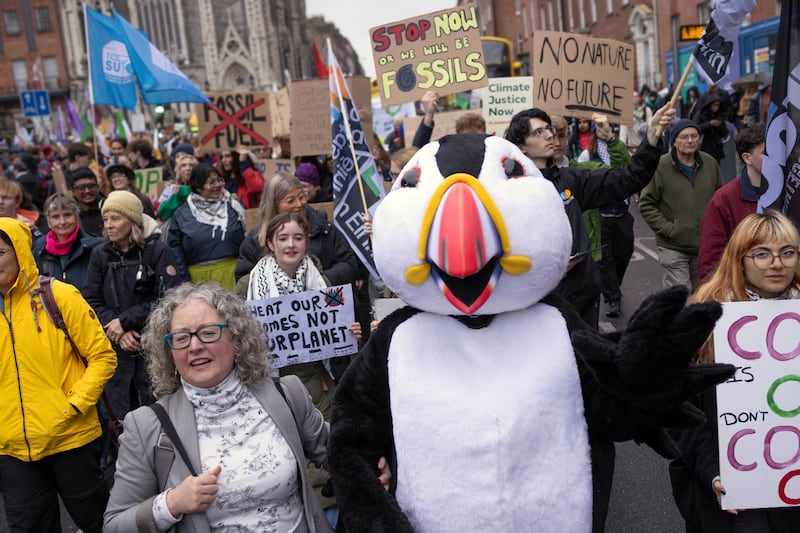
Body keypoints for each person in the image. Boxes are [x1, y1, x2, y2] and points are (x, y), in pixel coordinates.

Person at [104, 284, 388, 532]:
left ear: (236, 340)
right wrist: (171, 503)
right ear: (169, 352)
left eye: (208, 332)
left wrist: (376, 468)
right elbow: (115, 524)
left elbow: (340, 452)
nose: (195, 346)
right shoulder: (146, 426)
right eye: (181, 338)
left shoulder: (286, 394)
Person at [669, 210, 800, 532]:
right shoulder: (705, 319)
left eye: (787, 252)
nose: (777, 263)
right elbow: (679, 410)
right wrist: (712, 470)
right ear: (739, 259)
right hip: (733, 489)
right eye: (762, 254)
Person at [505, 105, 674, 328]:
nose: (549, 135)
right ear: (521, 147)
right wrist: (543, 266)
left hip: (582, 298)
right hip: (538, 305)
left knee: (586, 361)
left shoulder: (570, 180)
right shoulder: (507, 192)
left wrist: (652, 137)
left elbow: (627, 178)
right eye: (538, 132)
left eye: (549, 129)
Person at [0, 217, 116, 533]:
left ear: (20, 251)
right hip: (14, 448)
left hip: (71, 437)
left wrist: (75, 404)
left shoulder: (59, 296)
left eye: (0, 252)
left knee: (97, 522)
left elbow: (103, 356)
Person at [84, 191, 180, 428]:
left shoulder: (156, 250)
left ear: (133, 220)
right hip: (116, 346)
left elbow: (170, 296)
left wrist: (126, 321)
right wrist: (118, 329)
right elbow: (90, 299)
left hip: (153, 344)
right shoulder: (100, 254)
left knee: (159, 410)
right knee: (121, 417)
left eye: (115, 218)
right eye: (105, 219)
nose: (109, 225)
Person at [640, 119, 723, 291]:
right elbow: (646, 204)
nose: (690, 140)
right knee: (680, 295)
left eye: (694, 136)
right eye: (684, 137)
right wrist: (670, 230)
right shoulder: (661, 166)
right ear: (674, 141)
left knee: (704, 294)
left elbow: (721, 200)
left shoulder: (709, 163)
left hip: (705, 246)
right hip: (674, 247)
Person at [236, 173, 359, 287]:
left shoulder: (324, 228)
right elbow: (244, 277)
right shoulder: (256, 239)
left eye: (302, 197)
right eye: (291, 201)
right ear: (274, 203)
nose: (299, 204)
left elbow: (348, 264)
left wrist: (319, 281)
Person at [698, 123, 765, 282]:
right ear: (747, 157)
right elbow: (711, 257)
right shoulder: (724, 199)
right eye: (766, 153)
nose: (775, 157)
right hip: (740, 292)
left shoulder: (792, 193)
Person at [167, 163, 245, 290]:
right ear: (198, 187)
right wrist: (184, 279)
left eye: (219, 180)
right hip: (199, 281)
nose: (217, 185)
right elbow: (175, 249)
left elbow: (247, 238)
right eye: (211, 182)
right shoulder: (182, 214)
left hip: (234, 275)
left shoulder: (234, 207)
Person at [32, 192, 104, 292]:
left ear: (76, 216)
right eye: (55, 217)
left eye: (67, 215)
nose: (62, 222)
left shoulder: (95, 247)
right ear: (48, 221)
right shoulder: (38, 250)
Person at [67, 166, 106, 237]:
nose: (87, 191)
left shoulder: (108, 209)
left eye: (91, 186)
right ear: (73, 191)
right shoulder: (70, 217)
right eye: (81, 188)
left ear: (98, 187)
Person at [693, 94, 729, 163]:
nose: (716, 108)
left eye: (718, 106)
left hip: (716, 149)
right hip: (704, 147)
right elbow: (696, 128)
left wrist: (719, 126)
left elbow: (725, 133)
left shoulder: (719, 116)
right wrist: (709, 124)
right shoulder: (701, 115)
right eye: (715, 105)